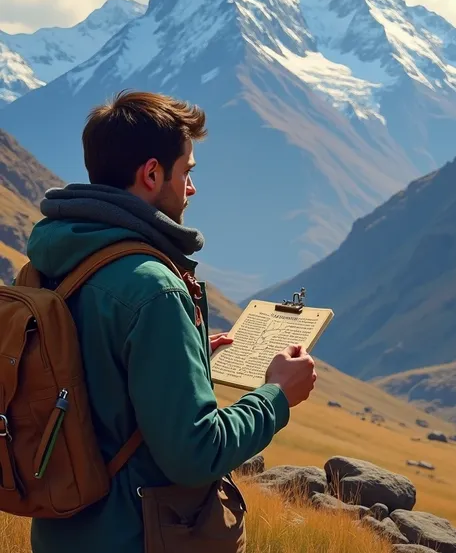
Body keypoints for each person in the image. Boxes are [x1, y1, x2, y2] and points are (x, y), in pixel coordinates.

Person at [26, 89, 317, 553]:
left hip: (61, 530)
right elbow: (195, 453)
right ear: (151, 173)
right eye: (187, 171)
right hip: (138, 534)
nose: (192, 187)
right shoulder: (154, 289)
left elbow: (96, 381)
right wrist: (277, 395)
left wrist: (186, 358)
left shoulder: (51, 260)